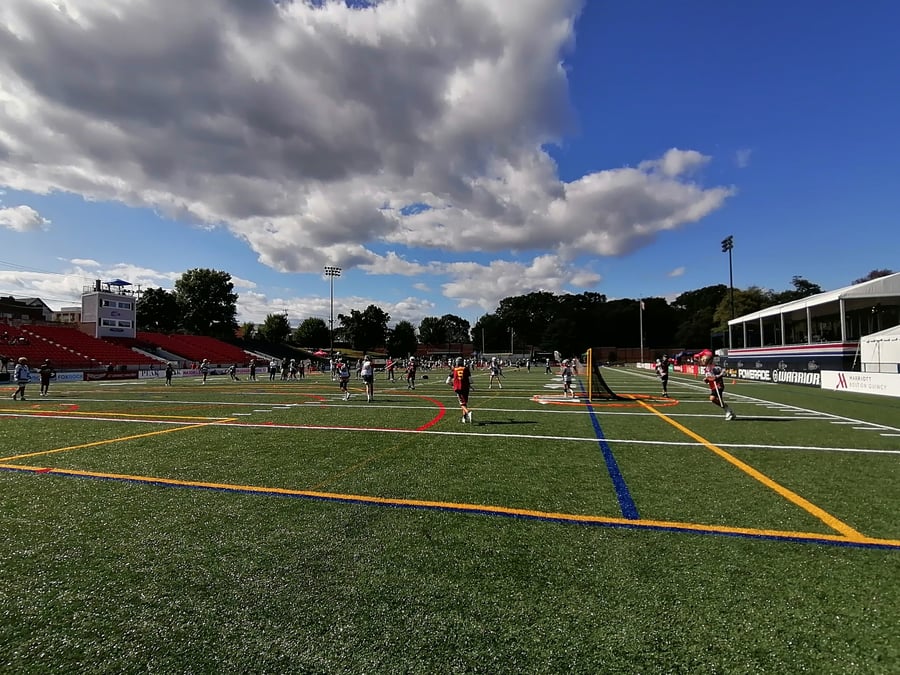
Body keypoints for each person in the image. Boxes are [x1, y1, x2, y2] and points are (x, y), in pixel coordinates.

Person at [697, 349, 736, 420]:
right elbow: (710, 377)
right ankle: (729, 412)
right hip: (713, 386)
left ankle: (728, 411)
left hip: (718, 385)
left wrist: (716, 377)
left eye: (703, 360)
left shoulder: (714, 367)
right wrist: (707, 379)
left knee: (713, 398)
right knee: (719, 401)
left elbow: (723, 372)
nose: (701, 361)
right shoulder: (707, 368)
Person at [448, 356, 473, 424]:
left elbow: (447, 381)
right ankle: (464, 418)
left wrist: (453, 385)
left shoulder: (454, 370)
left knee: (462, 404)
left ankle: (468, 412)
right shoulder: (466, 369)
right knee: (464, 403)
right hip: (466, 388)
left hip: (458, 388)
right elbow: (471, 381)